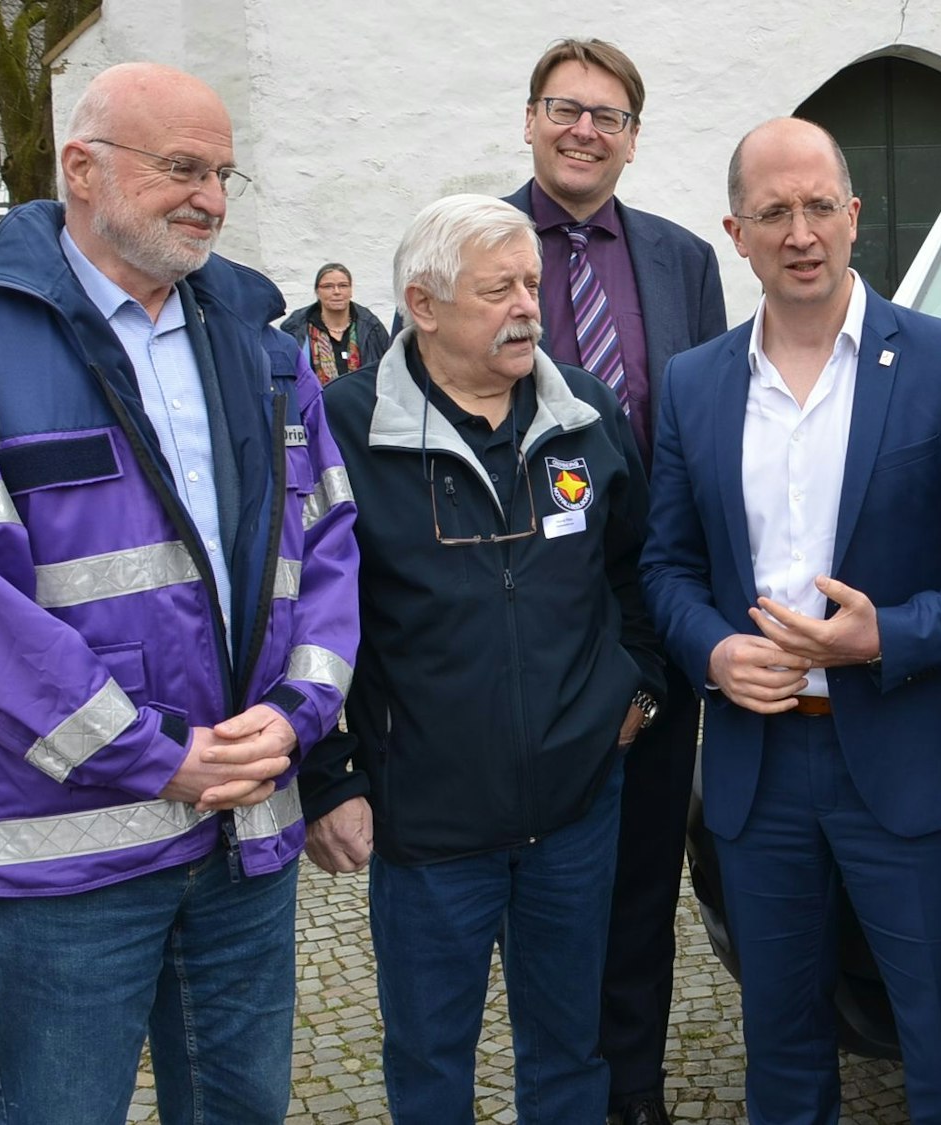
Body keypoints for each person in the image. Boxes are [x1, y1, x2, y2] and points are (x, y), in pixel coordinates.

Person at [0, 62, 359, 1124]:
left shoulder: (263, 347)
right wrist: (158, 755)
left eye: (224, 172)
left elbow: (326, 544)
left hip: (244, 828)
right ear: (80, 170)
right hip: (72, 848)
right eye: (182, 167)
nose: (212, 199)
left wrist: (295, 717)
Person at [641, 117, 941, 1125]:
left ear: (853, 217)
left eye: (819, 205)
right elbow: (666, 565)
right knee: (781, 1051)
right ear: (734, 231)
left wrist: (887, 635)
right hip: (759, 765)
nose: (799, 231)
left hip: (908, 762)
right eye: (772, 212)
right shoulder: (695, 385)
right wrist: (712, 652)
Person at [298, 194, 666, 1124]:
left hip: (577, 810)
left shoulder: (584, 412)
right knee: (429, 1058)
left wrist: (639, 692)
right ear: (422, 305)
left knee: (570, 1049)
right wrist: (328, 778)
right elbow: (303, 610)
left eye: (532, 285)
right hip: (428, 823)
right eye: (497, 289)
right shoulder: (344, 426)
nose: (527, 308)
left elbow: (636, 571)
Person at [506, 37, 727, 1125]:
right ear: (532, 120)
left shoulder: (684, 261)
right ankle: (563, 1087)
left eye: (607, 114)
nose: (584, 128)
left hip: (654, 607)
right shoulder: (478, 245)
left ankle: (632, 1092)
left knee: (644, 867)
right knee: (545, 876)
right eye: (564, 108)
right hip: (523, 617)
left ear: (633, 138)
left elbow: (711, 430)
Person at [280, 262, 392, 384]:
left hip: (364, 401)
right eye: (328, 286)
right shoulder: (296, 329)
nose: (337, 292)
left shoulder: (371, 328)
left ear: (351, 291)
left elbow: (389, 370)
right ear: (317, 292)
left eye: (343, 286)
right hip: (315, 402)